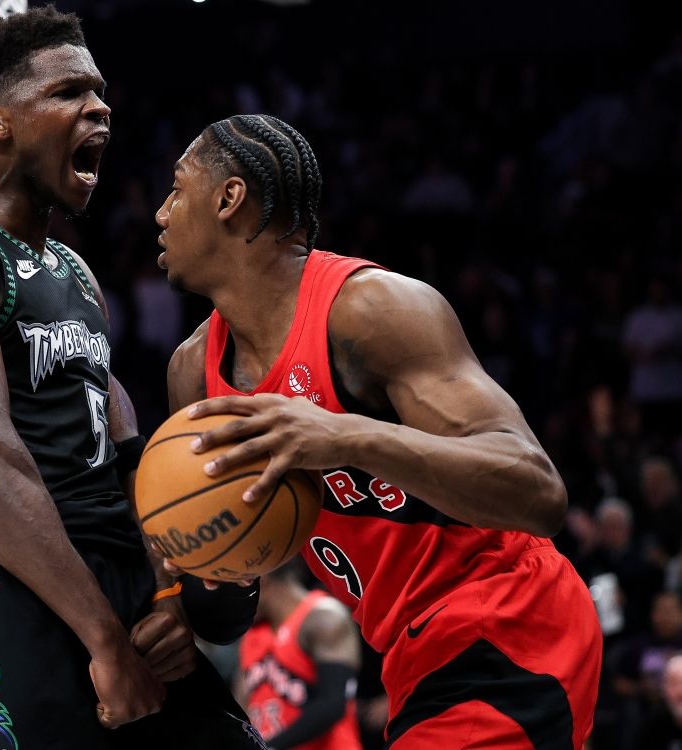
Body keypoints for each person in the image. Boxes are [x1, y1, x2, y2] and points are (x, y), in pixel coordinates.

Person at [0, 7, 263, 750]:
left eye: (102, 91)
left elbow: (125, 460)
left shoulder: (75, 273)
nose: (100, 107)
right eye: (70, 92)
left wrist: (173, 596)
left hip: (115, 592)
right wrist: (105, 643)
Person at [156, 114, 602, 748]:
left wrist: (344, 436)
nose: (159, 212)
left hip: (510, 616)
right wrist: (209, 565)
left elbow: (538, 491)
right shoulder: (192, 375)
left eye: (176, 189)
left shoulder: (375, 310)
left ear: (229, 199)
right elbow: (226, 619)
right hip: (407, 650)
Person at [235, 559, 362, 750]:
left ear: (261, 580)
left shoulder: (323, 617)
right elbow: (241, 708)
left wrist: (266, 747)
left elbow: (332, 705)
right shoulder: (252, 635)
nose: (234, 602)